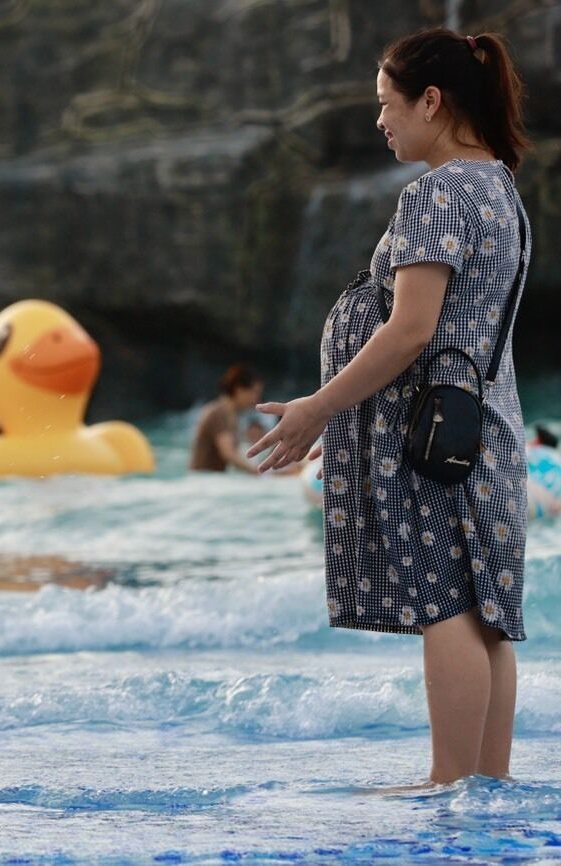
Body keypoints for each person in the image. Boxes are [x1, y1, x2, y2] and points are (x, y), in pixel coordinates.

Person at [248, 28, 530, 785]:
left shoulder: (437, 193)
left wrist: (319, 407)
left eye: (387, 103)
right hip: (486, 427)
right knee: (485, 612)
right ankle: (484, 784)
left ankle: (447, 783)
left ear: (431, 102)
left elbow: (411, 330)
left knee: (444, 603)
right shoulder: (499, 187)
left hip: (438, 435)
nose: (379, 120)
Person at [189, 364, 264, 474]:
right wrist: (258, 471)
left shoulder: (230, 413)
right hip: (203, 479)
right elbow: (229, 453)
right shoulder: (219, 413)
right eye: (254, 392)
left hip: (209, 478)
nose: (257, 399)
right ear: (239, 389)